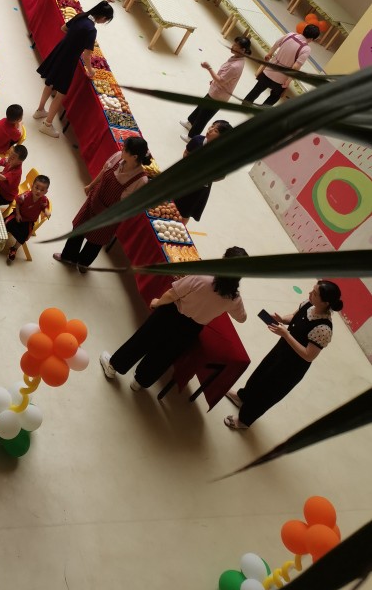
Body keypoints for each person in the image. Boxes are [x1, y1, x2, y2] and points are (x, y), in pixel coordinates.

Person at [99, 250, 248, 390]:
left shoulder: (202, 276)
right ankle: (139, 382)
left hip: (171, 313)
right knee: (164, 354)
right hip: (191, 328)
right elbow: (242, 318)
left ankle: (114, 367)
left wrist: (157, 302)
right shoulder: (234, 298)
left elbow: (172, 294)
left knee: (143, 340)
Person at [224, 280, 343, 430]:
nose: (310, 293)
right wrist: (281, 319)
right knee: (260, 374)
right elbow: (293, 317)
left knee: (268, 391)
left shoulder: (323, 329)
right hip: (281, 350)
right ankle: (243, 397)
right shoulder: (308, 304)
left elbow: (308, 355)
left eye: (314, 293)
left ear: (326, 303)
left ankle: (244, 420)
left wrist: (286, 335)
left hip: (292, 367)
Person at [53, 136, 151, 272]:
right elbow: (104, 170)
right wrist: (91, 185)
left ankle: (83, 264)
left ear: (134, 157)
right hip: (95, 200)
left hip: (110, 215)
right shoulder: (118, 157)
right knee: (79, 228)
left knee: (96, 240)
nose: (121, 150)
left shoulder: (140, 180)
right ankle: (68, 256)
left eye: (125, 149)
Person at [33, 1, 114, 138]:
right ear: (103, 17)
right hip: (68, 60)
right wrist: (90, 70)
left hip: (60, 51)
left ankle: (40, 110)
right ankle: (47, 124)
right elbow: (87, 55)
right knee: (60, 93)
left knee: (49, 83)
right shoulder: (91, 30)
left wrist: (73, 40)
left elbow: (63, 28)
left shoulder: (80, 16)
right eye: (106, 20)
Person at [181, 37, 252, 138]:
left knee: (203, 117)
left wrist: (209, 68)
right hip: (215, 90)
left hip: (218, 96)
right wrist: (214, 80)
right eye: (234, 44)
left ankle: (192, 137)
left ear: (243, 50)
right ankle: (190, 123)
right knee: (200, 107)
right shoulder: (236, 58)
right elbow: (223, 77)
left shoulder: (235, 66)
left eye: (236, 45)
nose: (232, 46)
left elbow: (221, 80)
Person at [242, 24, 320, 106]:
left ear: (304, 30)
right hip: (282, 78)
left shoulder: (290, 35)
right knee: (274, 97)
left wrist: (270, 53)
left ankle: (244, 105)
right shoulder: (306, 49)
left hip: (270, 69)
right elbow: (296, 67)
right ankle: (260, 111)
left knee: (257, 89)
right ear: (312, 39)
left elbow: (277, 43)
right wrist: (288, 81)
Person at [173, 121, 233, 223]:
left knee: (185, 211)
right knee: (171, 202)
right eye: (212, 126)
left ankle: (180, 227)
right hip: (182, 178)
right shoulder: (197, 140)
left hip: (198, 189)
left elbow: (221, 175)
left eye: (215, 130)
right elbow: (186, 152)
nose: (210, 130)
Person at [4, 174, 51, 262]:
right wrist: (18, 214)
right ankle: (0, 237)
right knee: (6, 223)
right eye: (37, 188)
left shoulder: (43, 200)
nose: (38, 191)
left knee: (24, 235)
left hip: (29, 221)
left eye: (42, 190)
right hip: (18, 215)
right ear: (32, 186)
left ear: (46, 191)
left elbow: (44, 207)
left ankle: (14, 248)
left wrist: (46, 211)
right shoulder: (25, 196)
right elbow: (18, 204)